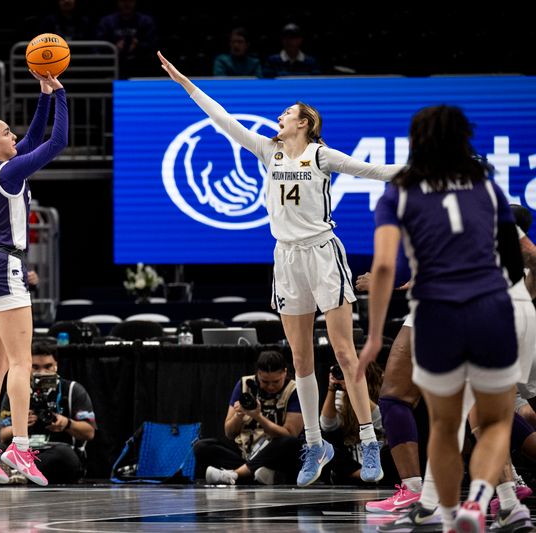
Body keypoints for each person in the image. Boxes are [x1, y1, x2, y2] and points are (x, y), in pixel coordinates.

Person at [158, 51, 403, 487]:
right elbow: (223, 120)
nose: (281, 116)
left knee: (345, 353)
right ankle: (314, 442)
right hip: (286, 257)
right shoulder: (267, 151)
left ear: (305, 123)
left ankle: (368, 437)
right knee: (301, 358)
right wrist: (186, 84)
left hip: (323, 252)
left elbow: (376, 170)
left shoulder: (322, 156)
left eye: (288, 113)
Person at [358, 104, 524, 532]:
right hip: (490, 309)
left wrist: (374, 334)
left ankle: (440, 511)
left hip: (436, 313)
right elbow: (511, 260)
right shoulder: (488, 188)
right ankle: (503, 504)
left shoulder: (400, 191)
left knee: (446, 424)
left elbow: (382, 268)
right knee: (491, 421)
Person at [0, 70, 67, 486]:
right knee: (21, 362)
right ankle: (20, 447)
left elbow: (32, 140)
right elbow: (55, 142)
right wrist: (60, 94)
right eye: (7, 133)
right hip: (3, 265)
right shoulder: (8, 174)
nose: (15, 136)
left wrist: (42, 97)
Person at [195, 350, 303, 485]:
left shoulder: (295, 390)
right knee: (202, 446)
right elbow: (229, 433)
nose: (270, 386)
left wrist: (258, 417)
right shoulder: (244, 384)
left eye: (276, 382)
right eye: (265, 381)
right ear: (258, 374)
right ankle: (260, 475)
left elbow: (290, 434)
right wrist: (239, 415)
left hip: (276, 456)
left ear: (285, 373)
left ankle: (236, 475)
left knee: (288, 443)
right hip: (246, 454)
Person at [0, 342, 96, 483]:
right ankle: (19, 473)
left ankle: (15, 473)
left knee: (65, 455)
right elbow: (3, 435)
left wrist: (67, 424)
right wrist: (20, 426)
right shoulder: (16, 391)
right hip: (22, 451)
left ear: (56, 365)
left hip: (57, 451)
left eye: (48, 367)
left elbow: (89, 432)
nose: (42, 372)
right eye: (36, 367)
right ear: (28, 367)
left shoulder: (73, 390)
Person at [320, 361, 390, 484]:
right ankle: (360, 474)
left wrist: (356, 389)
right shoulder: (341, 395)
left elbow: (383, 422)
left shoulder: (384, 391)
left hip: (382, 459)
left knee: (391, 450)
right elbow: (327, 425)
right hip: (351, 463)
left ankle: (372, 475)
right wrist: (331, 389)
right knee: (325, 445)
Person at [96, 0, 158, 78]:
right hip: (114, 66)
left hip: (141, 66)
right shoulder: (107, 21)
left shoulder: (146, 21)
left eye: (130, 0)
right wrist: (114, 47)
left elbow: (153, 45)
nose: (126, 4)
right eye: (123, 0)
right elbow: (99, 47)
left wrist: (138, 45)